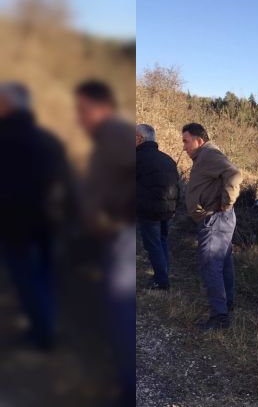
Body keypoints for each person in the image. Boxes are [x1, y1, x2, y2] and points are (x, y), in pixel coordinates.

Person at [75, 80, 136, 405]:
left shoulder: (115, 135)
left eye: (83, 110)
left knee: (122, 310)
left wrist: (115, 213)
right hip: (113, 235)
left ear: (103, 107)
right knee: (115, 310)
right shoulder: (108, 137)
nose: (79, 118)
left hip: (120, 236)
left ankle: (129, 389)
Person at [0, 82, 73, 351]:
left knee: (25, 279)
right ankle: (47, 326)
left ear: (5, 105)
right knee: (44, 276)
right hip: (48, 223)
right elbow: (67, 184)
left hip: (14, 227)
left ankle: (42, 334)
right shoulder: (49, 140)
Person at [182, 122, 242, 330]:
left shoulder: (208, 154)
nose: (184, 146)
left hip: (216, 218)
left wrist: (227, 202)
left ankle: (220, 317)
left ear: (199, 141)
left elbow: (234, 174)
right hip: (218, 218)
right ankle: (227, 303)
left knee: (210, 264)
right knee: (223, 262)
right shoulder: (205, 156)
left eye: (186, 141)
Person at [136, 124, 179, 290]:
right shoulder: (167, 159)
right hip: (168, 209)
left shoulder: (137, 158)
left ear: (139, 138)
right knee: (162, 241)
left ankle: (161, 281)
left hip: (148, 209)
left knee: (152, 244)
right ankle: (163, 274)